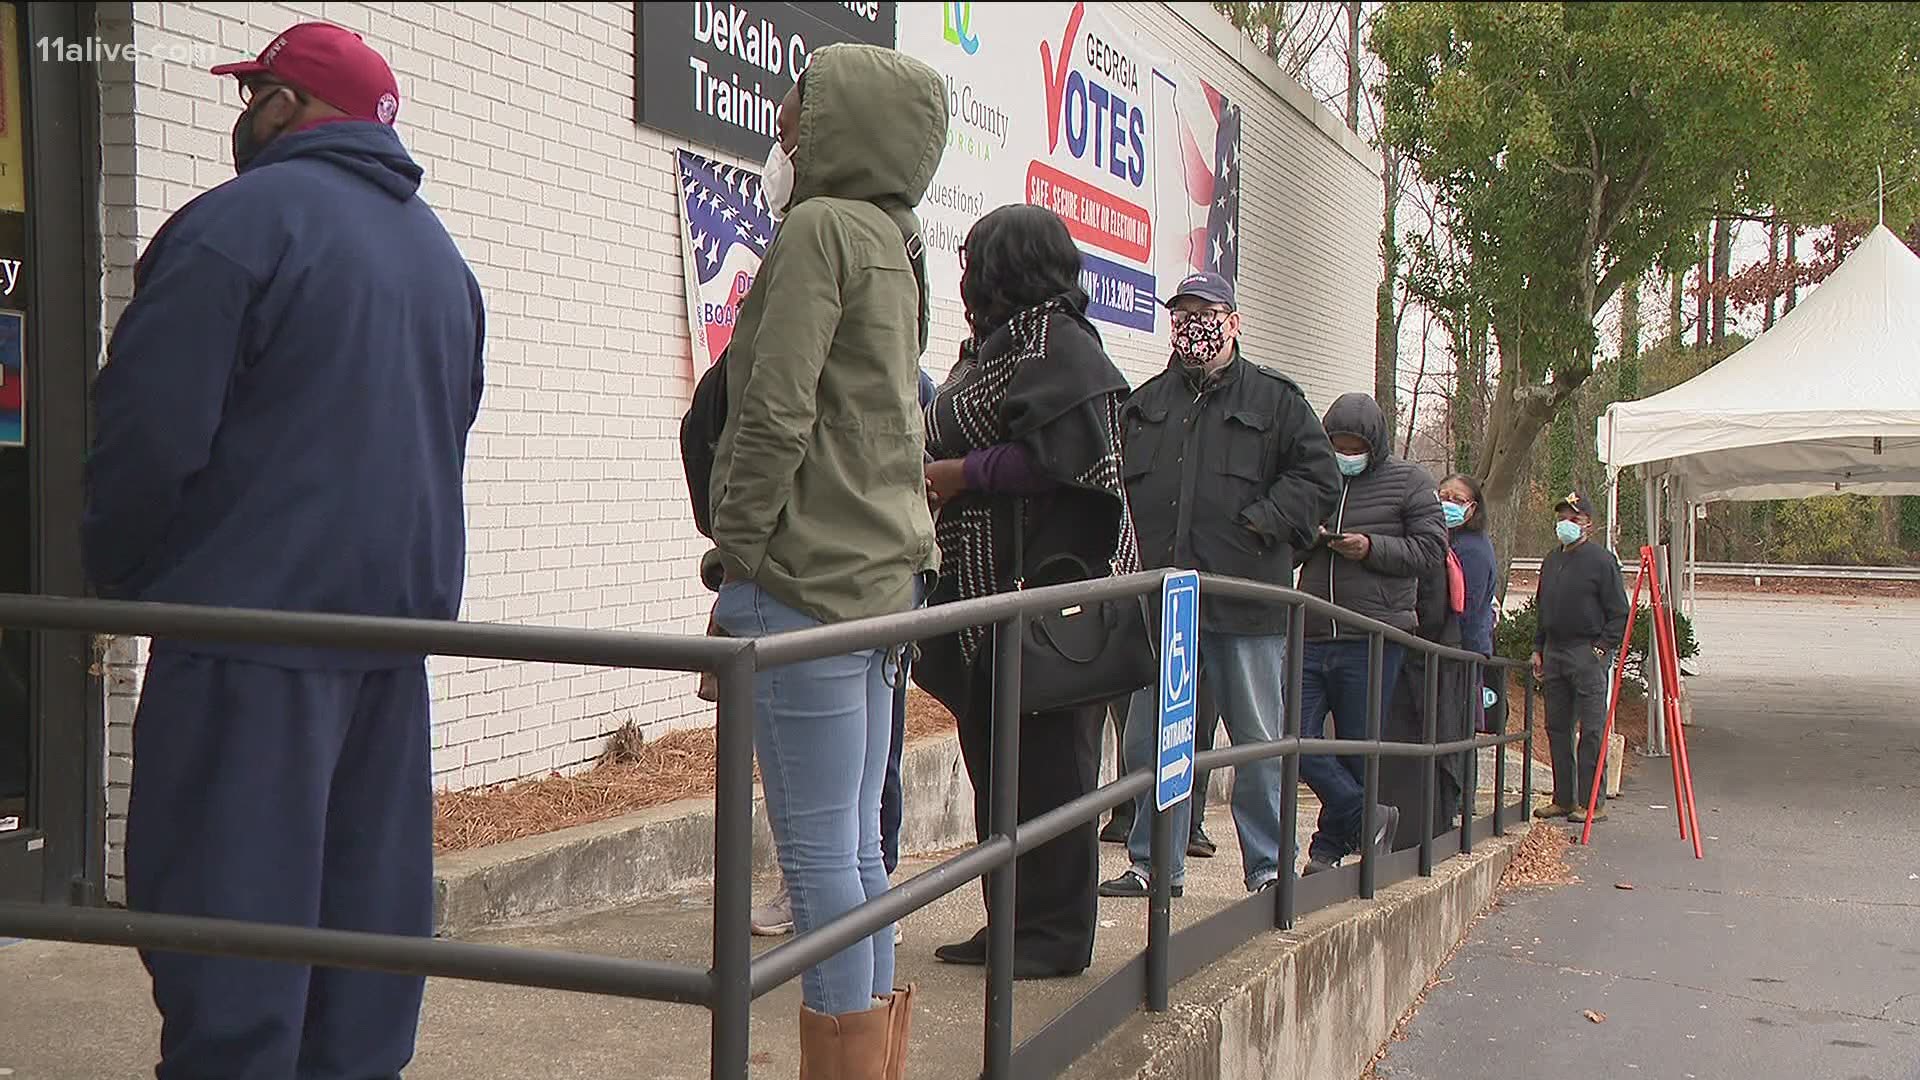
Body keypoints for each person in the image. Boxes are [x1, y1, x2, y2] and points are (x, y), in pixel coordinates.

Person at [81, 23, 484, 1079]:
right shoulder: (440, 258)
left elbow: (147, 437)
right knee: (360, 970)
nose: (241, 111)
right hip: (389, 653)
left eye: (253, 90)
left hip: (248, 643)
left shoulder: (234, 228)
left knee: (231, 959)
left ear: (289, 106)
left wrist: (120, 575)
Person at [705, 44, 946, 1074]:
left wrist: (737, 550)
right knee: (857, 848)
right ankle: (873, 1058)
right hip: (880, 583)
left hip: (802, 584)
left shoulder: (816, 233)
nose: (785, 126)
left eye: (798, 107)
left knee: (816, 859)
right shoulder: (898, 241)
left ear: (841, 123)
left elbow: (773, 410)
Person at [913, 204, 1136, 980]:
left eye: (978, 259)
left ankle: (1055, 934)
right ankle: (1009, 920)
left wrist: (957, 474)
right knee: (997, 773)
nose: (966, 273)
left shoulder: (1061, 346)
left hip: (1043, 610)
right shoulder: (998, 346)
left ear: (1014, 265)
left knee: (1049, 775)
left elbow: (1062, 459)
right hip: (979, 604)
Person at [1101, 272, 1342, 900]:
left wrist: (1262, 524)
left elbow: (1319, 480)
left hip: (1244, 605)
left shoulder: (1277, 403)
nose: (1192, 326)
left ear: (1233, 321)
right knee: (1152, 739)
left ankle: (1268, 868)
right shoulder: (1146, 405)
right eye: (1181, 314)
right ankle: (1153, 864)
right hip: (1165, 610)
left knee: (1257, 743)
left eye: (1205, 313)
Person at [752, 367, 937, 945]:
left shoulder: (904, 383)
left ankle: (862, 902)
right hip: (878, 590)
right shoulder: (902, 382)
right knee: (848, 829)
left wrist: (738, 541)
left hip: (837, 593)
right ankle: (866, 997)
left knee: (833, 835)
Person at [1294, 393, 1447, 874]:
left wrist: (1371, 548)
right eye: (1336, 442)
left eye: (1353, 444)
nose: (1345, 451)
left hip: (1372, 636)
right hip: (1314, 631)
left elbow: (1430, 550)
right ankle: (1367, 817)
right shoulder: (1316, 479)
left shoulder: (1410, 482)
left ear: (1373, 443)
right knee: (1292, 736)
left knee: (1358, 746)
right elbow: (1284, 544)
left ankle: (1327, 848)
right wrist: (1306, 535)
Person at [1379, 474, 1498, 846]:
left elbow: (1468, 607)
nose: (1447, 503)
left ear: (1473, 506)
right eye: (1443, 495)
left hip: (1457, 654)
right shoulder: (1440, 542)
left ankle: (1455, 808)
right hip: (1439, 653)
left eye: (1456, 498)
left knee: (1453, 734)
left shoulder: (1473, 549)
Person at [1531, 491, 1630, 824]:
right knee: (1557, 727)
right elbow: (1542, 607)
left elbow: (1619, 612)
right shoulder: (1551, 560)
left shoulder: (1601, 561)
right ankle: (1563, 797)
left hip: (1587, 651)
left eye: (1574, 519)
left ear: (1588, 524)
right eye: (1562, 518)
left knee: (1591, 730)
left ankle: (1591, 802)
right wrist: (1538, 647)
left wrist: (1601, 649)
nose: (1566, 525)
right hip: (1555, 650)